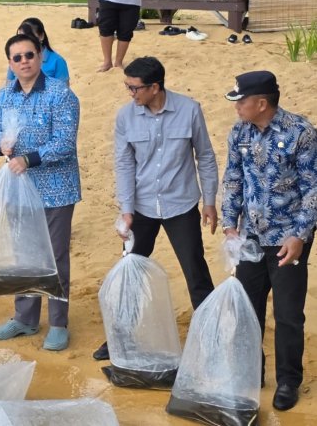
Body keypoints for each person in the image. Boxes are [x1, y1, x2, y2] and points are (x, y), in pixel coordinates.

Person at [93, 56, 217, 361]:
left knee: (196, 272)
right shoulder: (125, 117)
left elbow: (206, 156)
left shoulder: (190, 110)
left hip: (181, 204)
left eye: (134, 88)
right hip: (142, 207)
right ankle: (119, 337)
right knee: (130, 273)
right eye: (128, 87)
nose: (130, 94)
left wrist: (210, 201)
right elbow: (123, 163)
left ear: (155, 87)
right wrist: (126, 209)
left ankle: (212, 339)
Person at [221, 71, 317, 412]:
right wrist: (229, 224)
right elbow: (233, 178)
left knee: (289, 313)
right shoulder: (240, 132)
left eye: (241, 101)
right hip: (251, 236)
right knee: (249, 308)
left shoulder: (300, 132)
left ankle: (289, 380)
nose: (237, 107)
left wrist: (300, 236)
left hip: (287, 240)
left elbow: (312, 188)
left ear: (262, 103)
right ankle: (252, 371)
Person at [0, 33, 81, 350]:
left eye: (30, 55)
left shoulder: (60, 94)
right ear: (10, 63)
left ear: (41, 56)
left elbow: (65, 143)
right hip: (19, 188)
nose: (24, 62)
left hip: (56, 188)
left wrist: (30, 158)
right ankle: (25, 319)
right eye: (17, 58)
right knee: (24, 254)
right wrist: (1, 146)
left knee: (54, 256)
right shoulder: (3, 96)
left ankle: (58, 323)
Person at [5, 17, 69, 84]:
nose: (23, 42)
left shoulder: (57, 61)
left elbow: (64, 90)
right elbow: (8, 85)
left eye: (28, 37)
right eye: (20, 37)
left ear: (41, 36)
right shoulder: (16, 58)